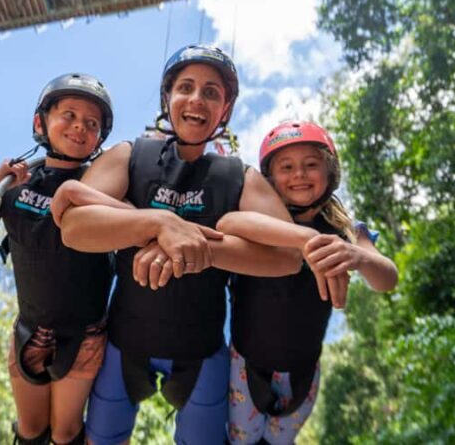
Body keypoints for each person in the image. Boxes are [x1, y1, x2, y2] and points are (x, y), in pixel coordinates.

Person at [51, 45, 303, 445]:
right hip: (124, 342)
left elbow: (288, 259)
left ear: (226, 111)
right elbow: (75, 226)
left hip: (201, 350)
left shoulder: (239, 177)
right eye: (185, 87)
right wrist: (157, 222)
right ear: (167, 97)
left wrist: (197, 248)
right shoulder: (131, 156)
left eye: (212, 92)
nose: (197, 99)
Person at [0, 73, 125, 445]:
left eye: (91, 124)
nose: (79, 127)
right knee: (31, 429)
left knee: (66, 430)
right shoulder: (18, 183)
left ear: (100, 139)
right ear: (41, 122)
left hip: (83, 333)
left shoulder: (102, 185)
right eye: (68, 115)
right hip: (29, 330)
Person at [217, 121, 398, 444]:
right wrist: (303, 239)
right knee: (242, 440)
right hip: (246, 366)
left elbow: (387, 278)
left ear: (330, 173)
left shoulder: (344, 231)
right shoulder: (261, 221)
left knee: (280, 441)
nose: (299, 174)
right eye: (287, 167)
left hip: (304, 372)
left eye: (311, 165)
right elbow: (228, 223)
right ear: (270, 179)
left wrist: (358, 257)